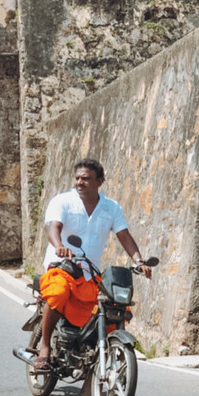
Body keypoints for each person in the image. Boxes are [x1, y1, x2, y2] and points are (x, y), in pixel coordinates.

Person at [35, 158, 150, 372]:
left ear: (100, 181)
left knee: (112, 311)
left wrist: (139, 260)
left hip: (90, 273)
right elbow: (54, 228)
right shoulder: (63, 201)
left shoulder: (111, 207)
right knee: (58, 293)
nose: (80, 182)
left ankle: (96, 363)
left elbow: (124, 235)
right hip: (62, 266)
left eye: (86, 179)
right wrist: (59, 246)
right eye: (77, 178)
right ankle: (44, 348)